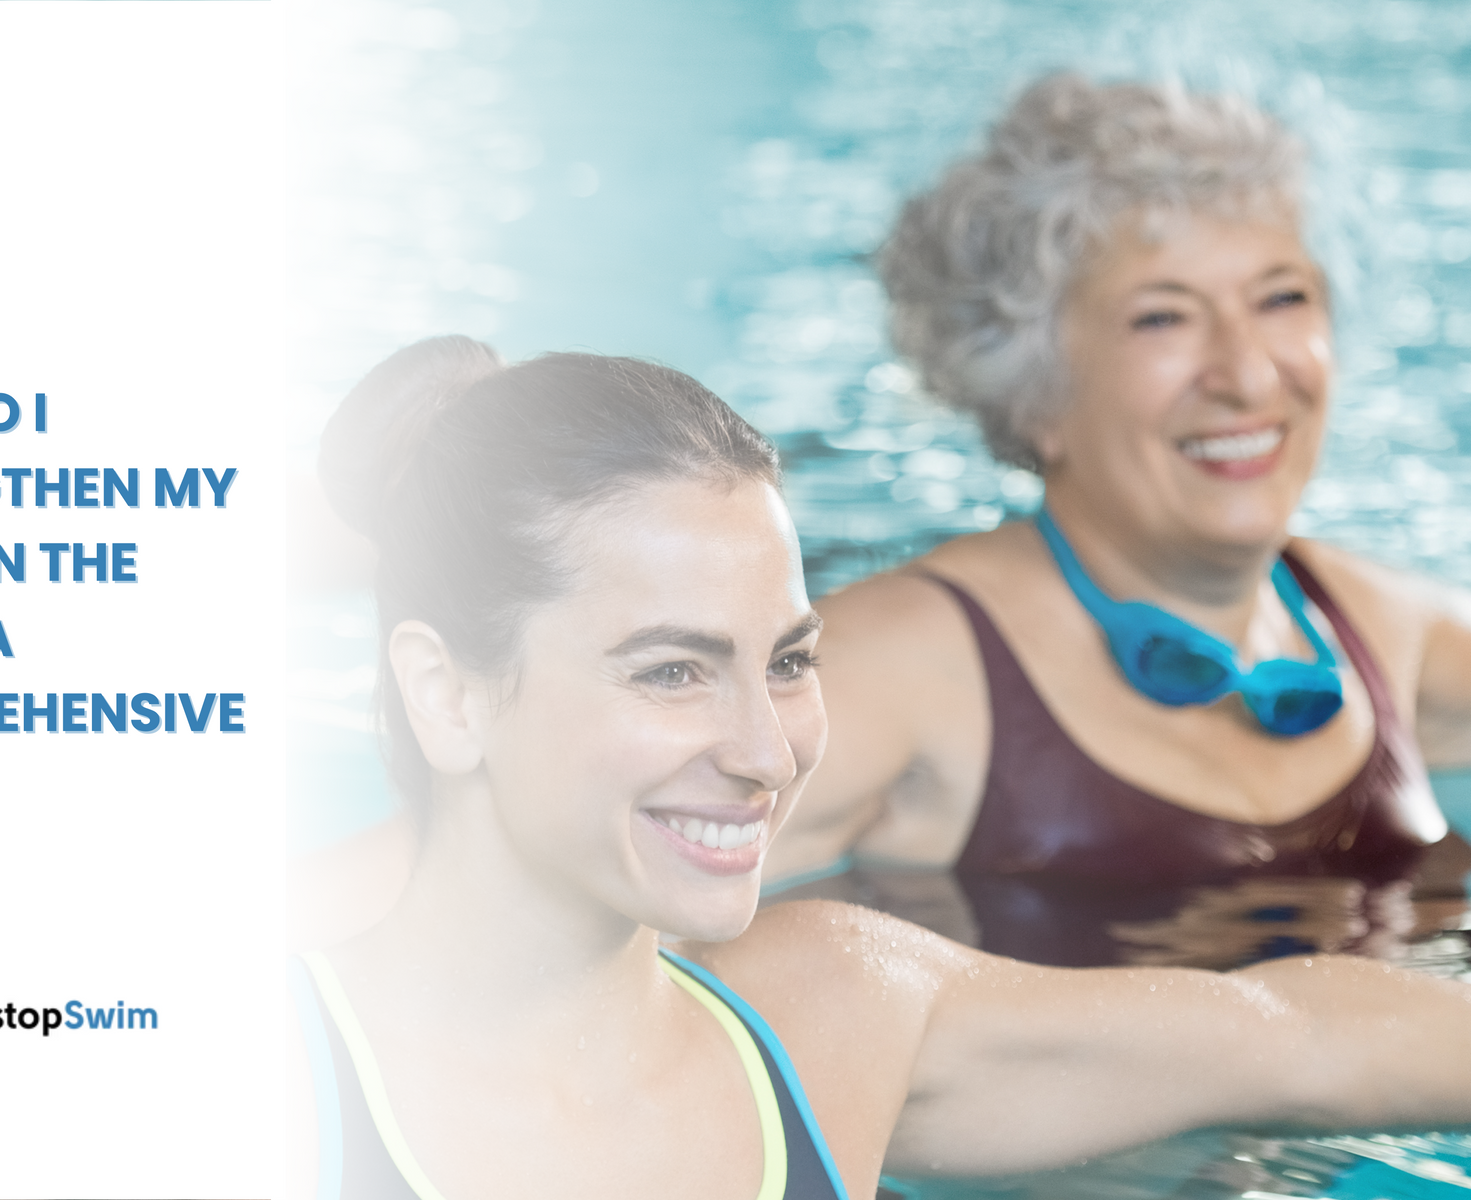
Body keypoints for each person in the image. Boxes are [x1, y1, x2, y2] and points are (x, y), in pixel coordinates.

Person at [286, 337, 1471, 1198]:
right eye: (670, 672)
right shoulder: (253, 1075)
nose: (766, 753)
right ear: (447, 694)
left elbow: (1301, 1033)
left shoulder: (828, 1022)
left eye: (790, 660)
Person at [767, 75, 1471, 923]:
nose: (1248, 377)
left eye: (1282, 298)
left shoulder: (1385, 631)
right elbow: (598, 904)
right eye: (1162, 318)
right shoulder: (901, 667)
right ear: (1034, 391)